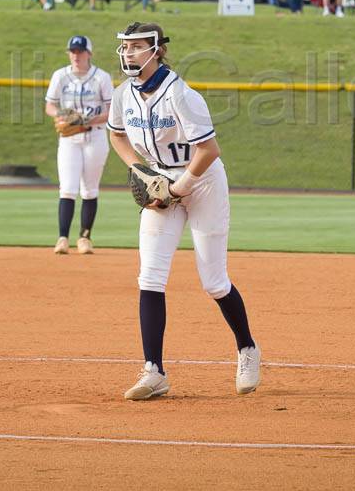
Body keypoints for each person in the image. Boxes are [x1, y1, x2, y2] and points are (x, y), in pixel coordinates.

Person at [108, 22, 260, 400]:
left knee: (214, 281)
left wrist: (180, 188)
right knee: (151, 276)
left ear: (157, 50)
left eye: (137, 47)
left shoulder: (181, 95)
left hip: (202, 181)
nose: (128, 54)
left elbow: (209, 151)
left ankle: (247, 348)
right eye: (125, 48)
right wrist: (139, 170)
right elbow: (116, 134)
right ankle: (154, 371)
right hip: (161, 184)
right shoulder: (123, 94)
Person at [45, 35, 113, 255]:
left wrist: (87, 121)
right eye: (72, 51)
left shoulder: (102, 77)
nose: (76, 55)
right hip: (69, 139)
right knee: (67, 188)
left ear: (89, 54)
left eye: (80, 51)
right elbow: (50, 106)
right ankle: (62, 238)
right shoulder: (60, 76)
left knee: (90, 189)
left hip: (95, 136)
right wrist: (64, 116)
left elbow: (111, 111)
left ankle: (85, 238)